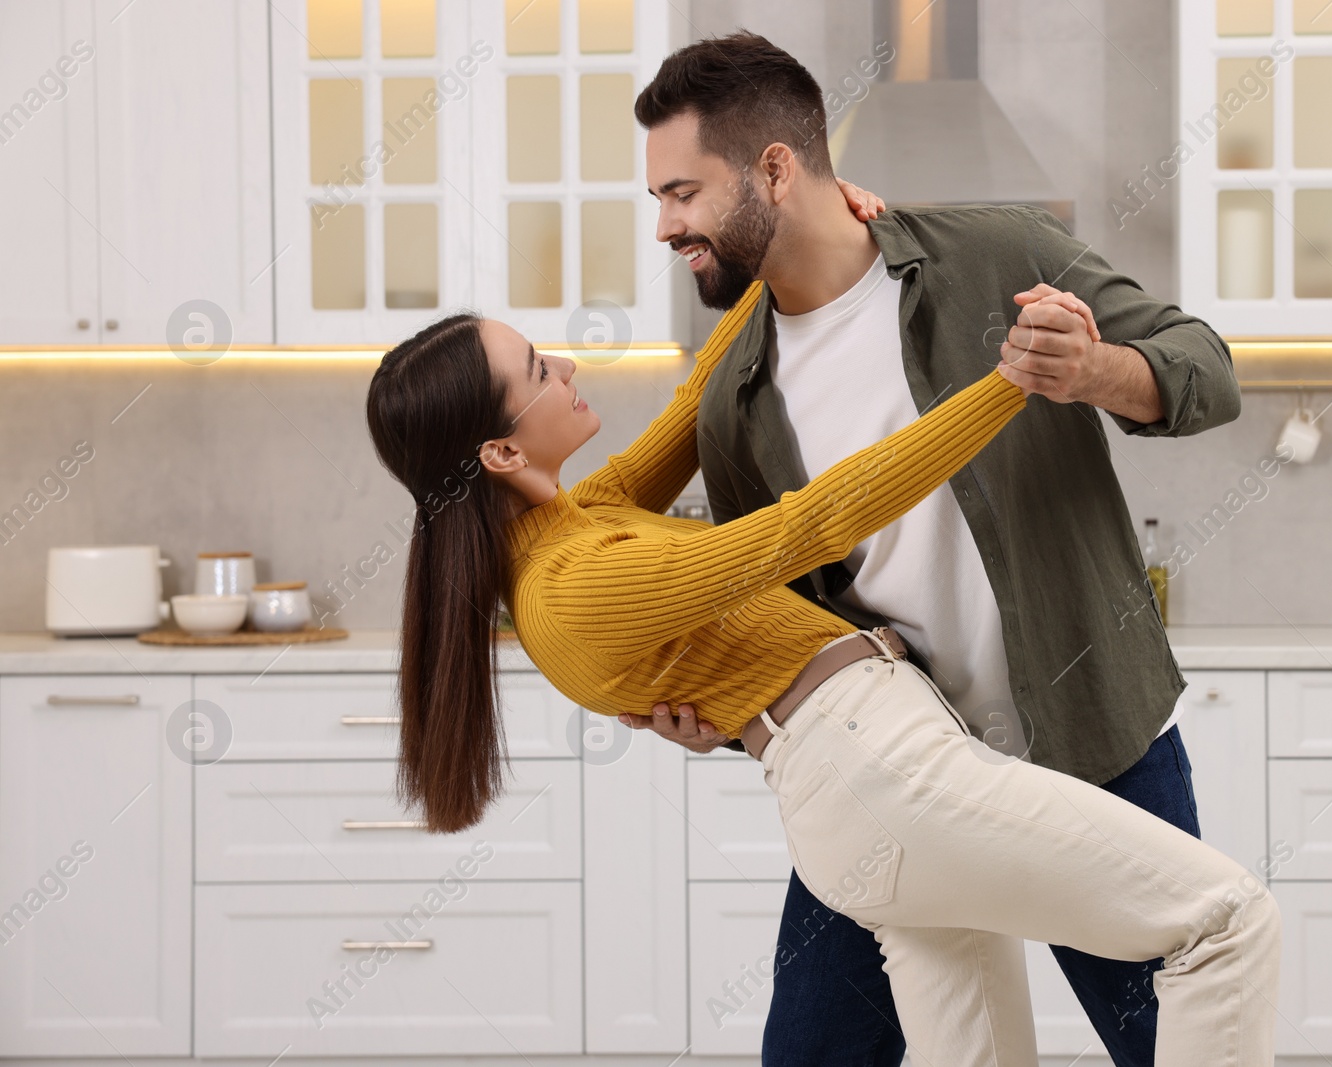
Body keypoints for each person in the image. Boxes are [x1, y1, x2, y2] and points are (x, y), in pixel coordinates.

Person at [364, 287, 1280, 1066]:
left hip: (870, 775)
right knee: (1224, 919)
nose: (563, 363)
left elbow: (693, 405)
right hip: (878, 772)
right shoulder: (573, 585)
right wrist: (1007, 387)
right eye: (535, 371)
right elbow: (810, 526)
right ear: (501, 453)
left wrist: (784, 238)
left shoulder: (582, 517)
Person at [621, 32, 1245, 1067]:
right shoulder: (727, 395)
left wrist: (1094, 369)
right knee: (815, 1051)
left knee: (1170, 1039)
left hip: (1094, 737)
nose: (666, 224)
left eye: (681, 192)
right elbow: (783, 616)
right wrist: (727, 714)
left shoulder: (1000, 253)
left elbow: (1205, 372)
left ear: (775, 168)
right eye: (658, 199)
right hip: (890, 776)